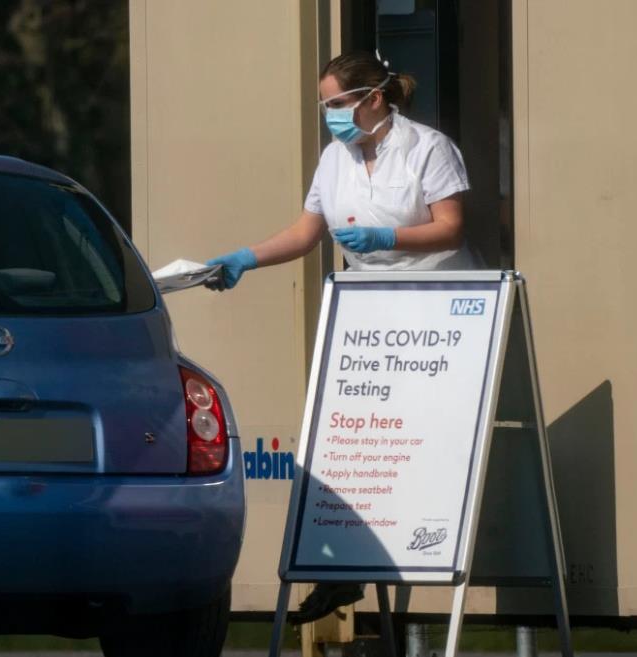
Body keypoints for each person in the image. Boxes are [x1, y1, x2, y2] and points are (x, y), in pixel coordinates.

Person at [205, 50, 479, 623]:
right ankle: (342, 568)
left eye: (336, 103)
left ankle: (420, 549)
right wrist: (245, 258)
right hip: (367, 311)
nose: (329, 115)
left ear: (374, 99)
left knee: (424, 439)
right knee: (353, 440)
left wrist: (388, 237)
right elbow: (308, 232)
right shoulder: (335, 157)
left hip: (439, 310)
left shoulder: (428, 147)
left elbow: (451, 228)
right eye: (323, 105)